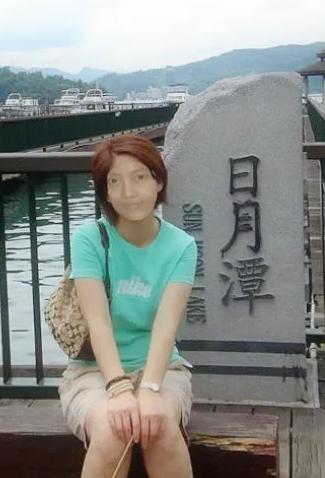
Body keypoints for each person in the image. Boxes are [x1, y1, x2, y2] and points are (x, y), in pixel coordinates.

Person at [59, 134, 197, 478]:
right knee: (111, 431)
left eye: (139, 177)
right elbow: (98, 323)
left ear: (158, 181)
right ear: (105, 192)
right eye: (115, 182)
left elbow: (166, 326)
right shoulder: (90, 240)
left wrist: (150, 389)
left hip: (164, 370)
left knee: (161, 427)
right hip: (93, 372)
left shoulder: (181, 246)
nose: (129, 192)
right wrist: (119, 388)